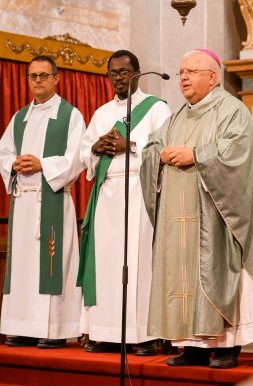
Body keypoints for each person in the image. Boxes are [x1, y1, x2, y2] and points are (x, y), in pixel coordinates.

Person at [140, 49, 253, 369]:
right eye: (181, 72)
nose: (184, 78)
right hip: (179, 216)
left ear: (212, 77)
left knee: (223, 272)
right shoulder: (178, 115)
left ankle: (229, 346)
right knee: (183, 276)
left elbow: (238, 154)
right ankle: (194, 347)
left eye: (191, 71)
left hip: (219, 219)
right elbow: (152, 146)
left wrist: (197, 155)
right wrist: (157, 155)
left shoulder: (232, 110)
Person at [78, 50, 171, 354]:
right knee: (106, 264)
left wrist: (128, 144)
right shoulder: (102, 113)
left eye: (123, 72)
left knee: (138, 263)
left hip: (139, 193)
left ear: (137, 73)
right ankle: (105, 332)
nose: (117, 78)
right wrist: (96, 147)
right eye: (112, 73)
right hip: (108, 195)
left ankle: (141, 335)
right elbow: (84, 156)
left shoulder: (157, 109)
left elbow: (165, 149)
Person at [0, 55, 85, 348]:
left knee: (53, 264)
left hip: (52, 199)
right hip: (23, 202)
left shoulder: (70, 115)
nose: (37, 80)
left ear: (56, 78)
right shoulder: (19, 117)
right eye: (33, 76)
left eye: (43, 75)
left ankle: (54, 330)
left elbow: (77, 158)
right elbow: (4, 150)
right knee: (23, 266)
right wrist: (13, 164)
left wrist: (41, 164)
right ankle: (22, 326)